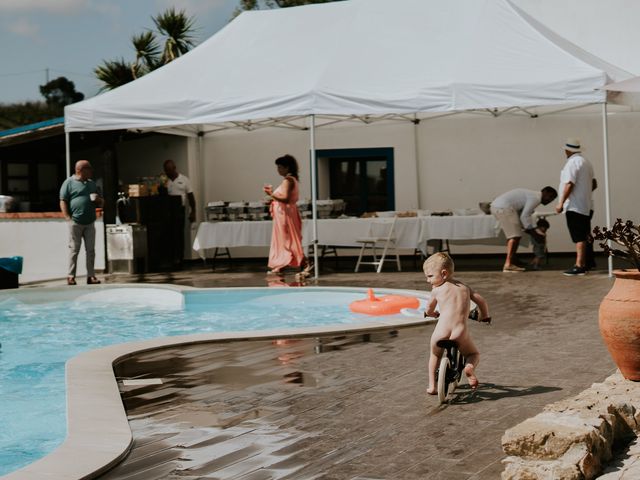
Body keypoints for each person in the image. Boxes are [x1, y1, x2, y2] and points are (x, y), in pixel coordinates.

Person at [423, 252, 490, 395]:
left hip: (441, 331)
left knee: (435, 355)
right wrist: (485, 316)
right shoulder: (465, 288)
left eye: (430, 276)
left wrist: (431, 314)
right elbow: (481, 301)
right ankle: (469, 367)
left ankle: (432, 386)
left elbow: (429, 309)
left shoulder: (437, 290)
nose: (428, 281)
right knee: (473, 353)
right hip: (460, 332)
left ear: (444, 273)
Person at [263, 154, 312, 276]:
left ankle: (305, 263)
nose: (278, 170)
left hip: (285, 214)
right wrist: (273, 199)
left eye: (280, 167)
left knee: (288, 239)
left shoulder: (288, 180)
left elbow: (285, 198)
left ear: (287, 167)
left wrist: (271, 193)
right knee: (285, 239)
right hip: (285, 212)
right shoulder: (291, 179)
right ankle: (281, 265)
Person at [555, 138, 597, 276]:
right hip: (587, 205)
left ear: (567, 150)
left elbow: (569, 184)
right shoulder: (586, 162)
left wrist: (561, 202)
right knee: (586, 234)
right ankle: (589, 262)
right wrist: (584, 193)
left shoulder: (572, 163)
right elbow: (594, 183)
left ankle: (579, 265)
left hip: (574, 206)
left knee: (578, 236)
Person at [490, 186, 557, 272]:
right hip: (503, 208)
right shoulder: (536, 198)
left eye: (553, 199)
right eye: (550, 197)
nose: (550, 200)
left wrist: (529, 229)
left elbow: (523, 214)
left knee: (515, 235)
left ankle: (512, 260)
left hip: (498, 207)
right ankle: (508, 264)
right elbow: (524, 216)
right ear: (544, 192)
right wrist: (534, 233)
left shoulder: (533, 195)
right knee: (515, 236)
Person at [59, 159, 103, 285]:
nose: (91, 171)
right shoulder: (69, 182)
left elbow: (101, 201)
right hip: (76, 222)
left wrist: (98, 200)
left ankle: (91, 276)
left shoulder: (91, 184)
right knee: (74, 249)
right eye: (89, 168)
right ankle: (71, 276)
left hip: (90, 222)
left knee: (91, 250)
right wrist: (67, 217)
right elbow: (63, 200)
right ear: (80, 170)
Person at [163, 159, 196, 269]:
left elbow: (191, 197)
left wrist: (193, 212)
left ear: (174, 168)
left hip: (179, 210)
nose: (168, 172)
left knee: (178, 235)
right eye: (166, 171)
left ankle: (179, 258)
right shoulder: (165, 181)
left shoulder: (184, 180)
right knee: (169, 235)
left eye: (170, 170)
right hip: (167, 211)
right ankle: (170, 258)